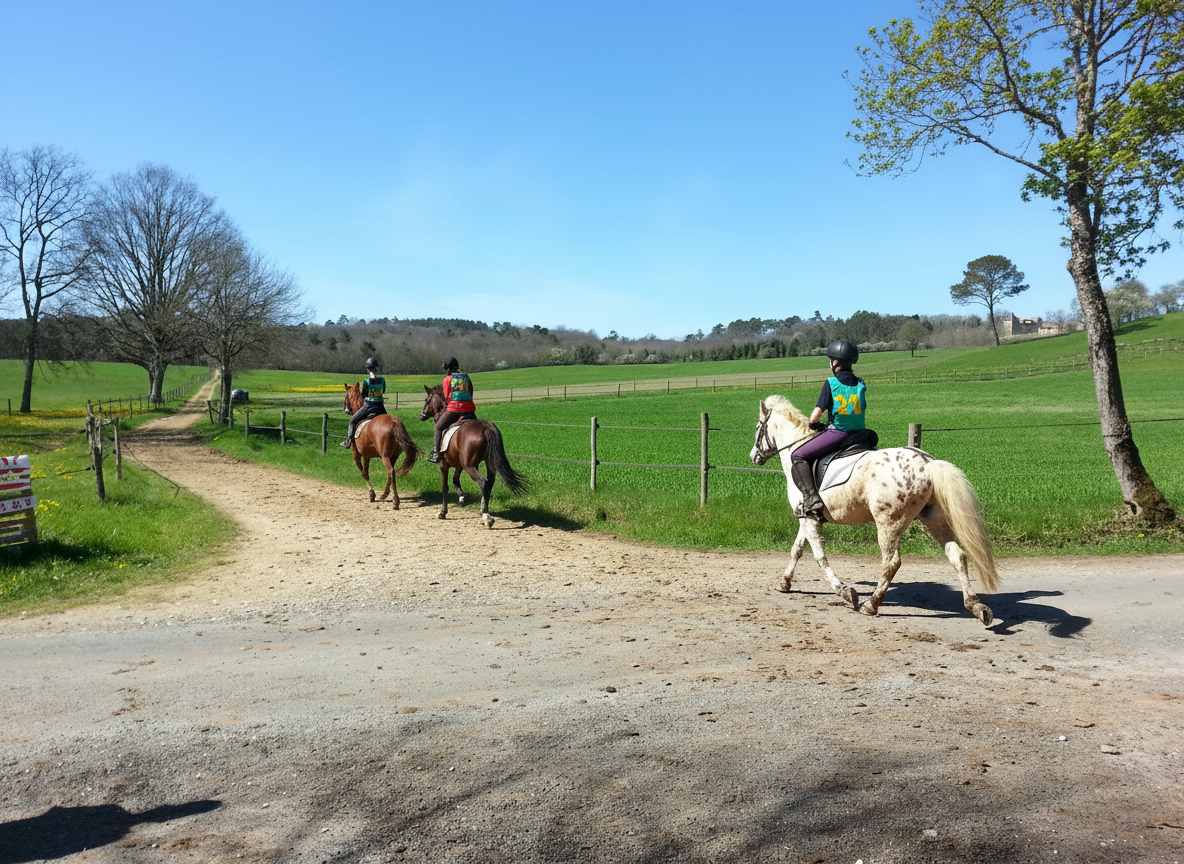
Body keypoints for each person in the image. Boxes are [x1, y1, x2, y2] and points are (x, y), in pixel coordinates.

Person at [790, 339, 866, 518]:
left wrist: (815, 424)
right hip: (861, 434)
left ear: (835, 362)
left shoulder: (831, 383)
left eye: (831, 360)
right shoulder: (861, 383)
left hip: (839, 433)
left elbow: (814, 417)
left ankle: (811, 498)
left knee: (798, 455)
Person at [428, 357, 476, 463]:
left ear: (447, 368)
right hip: (469, 410)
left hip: (454, 409)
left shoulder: (448, 379)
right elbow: (471, 392)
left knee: (438, 428)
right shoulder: (466, 377)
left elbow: (447, 397)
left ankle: (436, 453)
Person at [342, 358, 387, 448]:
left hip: (369, 406)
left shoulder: (367, 381)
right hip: (380, 406)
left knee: (352, 421)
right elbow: (384, 391)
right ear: (376, 368)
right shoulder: (382, 380)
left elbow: (364, 395)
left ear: (367, 369)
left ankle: (348, 441)